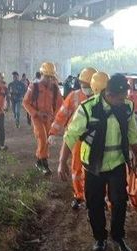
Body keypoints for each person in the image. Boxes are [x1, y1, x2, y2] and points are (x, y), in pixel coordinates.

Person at [58, 73, 137, 251]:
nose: (124, 100)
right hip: (93, 165)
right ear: (109, 94)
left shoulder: (126, 107)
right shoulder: (88, 109)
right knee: (94, 203)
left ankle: (118, 237)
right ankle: (100, 238)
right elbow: (70, 135)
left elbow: (132, 134)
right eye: (120, 98)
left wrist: (136, 156)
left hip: (117, 163)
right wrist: (62, 161)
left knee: (119, 202)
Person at [48, 67, 97, 209]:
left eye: (87, 85)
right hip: (77, 139)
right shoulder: (74, 97)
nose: (85, 88)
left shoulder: (100, 98)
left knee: (95, 168)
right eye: (83, 84)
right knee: (76, 168)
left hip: (94, 140)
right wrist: (52, 132)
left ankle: (95, 196)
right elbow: (61, 116)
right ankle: (79, 196)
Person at [23, 62, 63, 175]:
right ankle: (43, 163)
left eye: (51, 77)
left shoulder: (55, 88)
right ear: (41, 74)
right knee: (42, 137)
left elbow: (61, 105)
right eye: (47, 76)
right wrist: (35, 113)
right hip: (37, 117)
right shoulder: (33, 86)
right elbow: (25, 102)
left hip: (49, 118)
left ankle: (39, 161)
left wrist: (57, 118)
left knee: (47, 141)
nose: (49, 79)